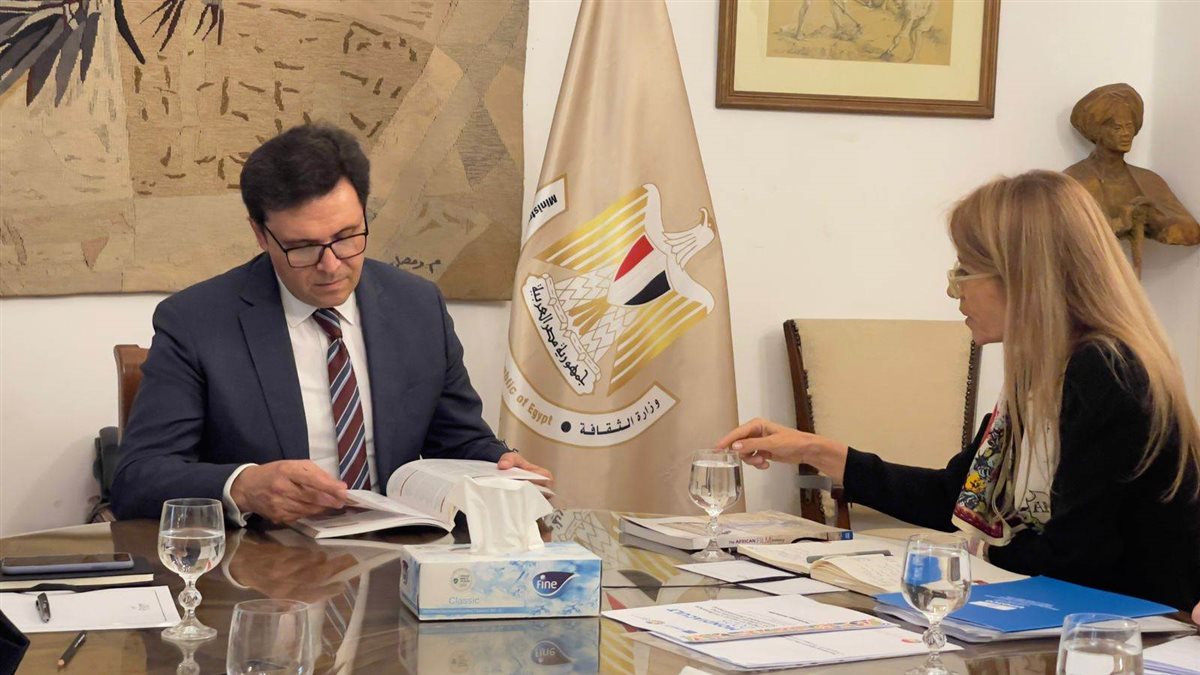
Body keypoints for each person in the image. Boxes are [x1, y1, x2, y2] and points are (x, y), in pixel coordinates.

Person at [719, 170, 1200, 611]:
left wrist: (970, 555)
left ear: (1023, 276)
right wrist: (815, 450)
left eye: (965, 271)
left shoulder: (1105, 370)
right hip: (1063, 614)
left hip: (1127, 635)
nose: (955, 291)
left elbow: (1076, 557)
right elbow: (955, 496)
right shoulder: (1040, 374)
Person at [111, 123, 549, 524]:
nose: (331, 265)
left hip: (398, 551)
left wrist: (499, 465)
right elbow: (138, 478)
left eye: (346, 237)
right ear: (261, 235)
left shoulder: (417, 306)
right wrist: (242, 486)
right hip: (267, 562)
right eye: (303, 247)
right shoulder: (197, 321)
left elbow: (458, 442)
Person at [1063, 83, 1200, 273]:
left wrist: (1154, 219)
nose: (1126, 133)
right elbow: (1065, 236)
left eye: (1129, 126)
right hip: (1088, 279)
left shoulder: (1148, 180)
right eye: (1117, 127)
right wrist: (1120, 223)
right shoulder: (1073, 180)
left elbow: (1191, 232)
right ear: (1097, 131)